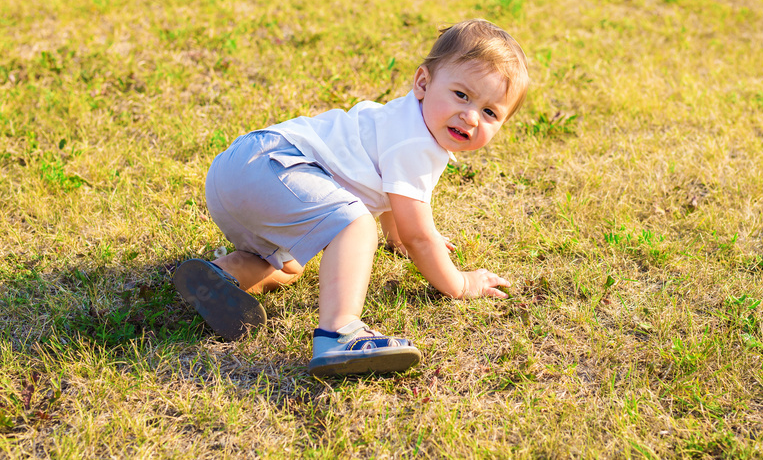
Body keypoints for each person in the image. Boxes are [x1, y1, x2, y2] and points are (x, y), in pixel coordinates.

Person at [173, 19, 530, 376]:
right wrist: (461, 283)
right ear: (423, 83)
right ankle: (339, 332)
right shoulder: (417, 143)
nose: (470, 116)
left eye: (489, 112)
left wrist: (396, 238)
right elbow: (419, 235)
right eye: (461, 95)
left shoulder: (402, 117)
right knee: (358, 227)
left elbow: (394, 197)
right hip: (275, 168)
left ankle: (222, 276)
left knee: (290, 266)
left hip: (238, 173)